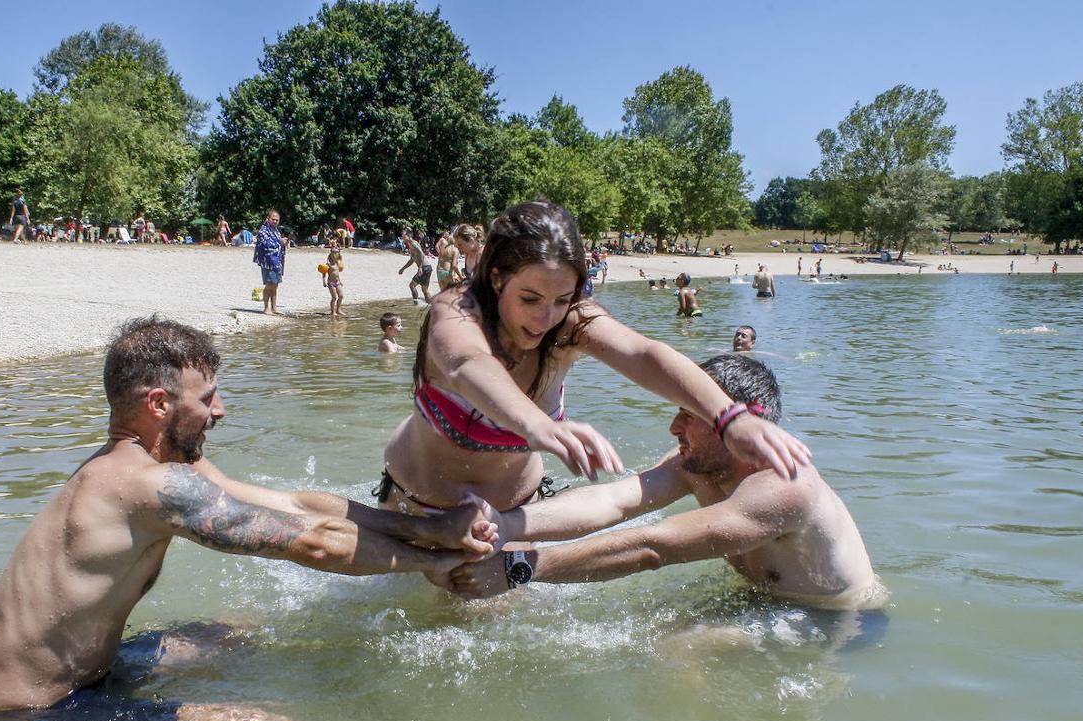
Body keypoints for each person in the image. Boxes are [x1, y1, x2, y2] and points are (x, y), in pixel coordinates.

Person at [0, 317, 496, 721]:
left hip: (88, 673)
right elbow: (312, 542)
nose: (219, 411)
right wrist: (434, 561)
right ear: (158, 405)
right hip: (31, 712)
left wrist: (430, 527)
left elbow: (293, 504)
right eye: (208, 398)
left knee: (235, 631)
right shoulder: (149, 488)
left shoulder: (154, 466)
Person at [375, 201, 811, 519]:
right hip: (413, 507)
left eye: (562, 298)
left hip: (515, 516)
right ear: (496, 277)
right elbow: (468, 365)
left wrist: (729, 418)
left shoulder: (571, 325)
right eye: (530, 298)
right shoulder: (455, 311)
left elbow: (644, 354)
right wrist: (539, 425)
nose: (545, 318)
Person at [448, 355, 887, 613]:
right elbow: (613, 503)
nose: (673, 428)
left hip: (836, 620)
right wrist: (506, 523)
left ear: (740, 425)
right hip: (764, 602)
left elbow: (655, 547)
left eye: (689, 415)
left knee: (681, 650)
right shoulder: (697, 463)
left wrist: (518, 569)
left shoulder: (786, 486)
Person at [253, 210, 286, 314]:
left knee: (275, 284)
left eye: (277, 220)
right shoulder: (263, 231)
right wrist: (280, 242)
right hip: (267, 262)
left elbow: (278, 243)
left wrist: (282, 242)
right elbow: (266, 245)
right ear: (268, 218)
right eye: (273, 219)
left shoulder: (276, 231)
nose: (275, 221)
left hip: (277, 261)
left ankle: (274, 307)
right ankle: (266, 308)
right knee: (269, 284)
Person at [398, 228, 434, 304]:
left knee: (412, 285)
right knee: (424, 289)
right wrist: (403, 269)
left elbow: (421, 254)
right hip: (427, 268)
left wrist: (420, 268)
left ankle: (416, 304)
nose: (402, 237)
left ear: (409, 236)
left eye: (403, 235)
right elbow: (412, 260)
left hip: (425, 268)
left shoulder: (413, 243)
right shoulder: (410, 245)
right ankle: (431, 305)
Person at [323, 239, 345, 318]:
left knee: (341, 296)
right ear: (331, 255)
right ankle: (333, 312)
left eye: (336, 254)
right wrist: (324, 281)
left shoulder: (338, 263)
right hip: (331, 283)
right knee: (334, 297)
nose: (335, 255)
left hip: (337, 282)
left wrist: (340, 281)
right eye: (333, 253)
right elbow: (324, 274)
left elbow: (337, 274)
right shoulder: (328, 264)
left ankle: (338, 310)